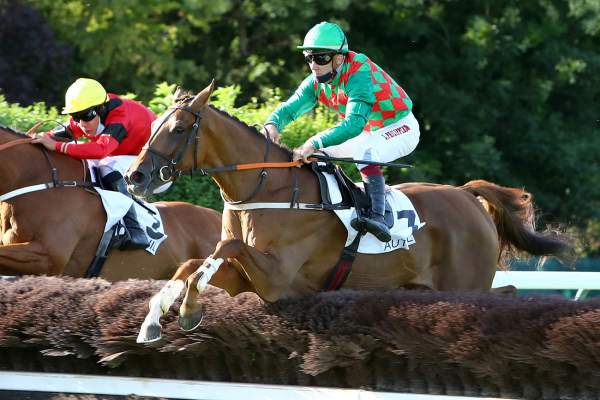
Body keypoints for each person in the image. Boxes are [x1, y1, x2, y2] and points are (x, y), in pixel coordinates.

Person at [264, 21, 420, 242]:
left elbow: (353, 125)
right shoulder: (316, 81)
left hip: (400, 127)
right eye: (309, 58)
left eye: (320, 58)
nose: (313, 65)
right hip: (368, 131)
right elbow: (290, 109)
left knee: (365, 153)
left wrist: (314, 142)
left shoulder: (360, 73)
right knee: (318, 154)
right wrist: (272, 124)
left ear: (339, 58)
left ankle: (379, 217)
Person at [31, 78, 156, 249]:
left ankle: (135, 231)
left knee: (106, 166)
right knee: (87, 161)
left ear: (101, 108)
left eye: (86, 116)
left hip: (151, 160)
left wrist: (58, 146)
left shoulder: (120, 117)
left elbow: (101, 150)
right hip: (126, 154)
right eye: (76, 116)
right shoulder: (89, 114)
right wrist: (35, 139)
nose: (81, 124)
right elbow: (56, 135)